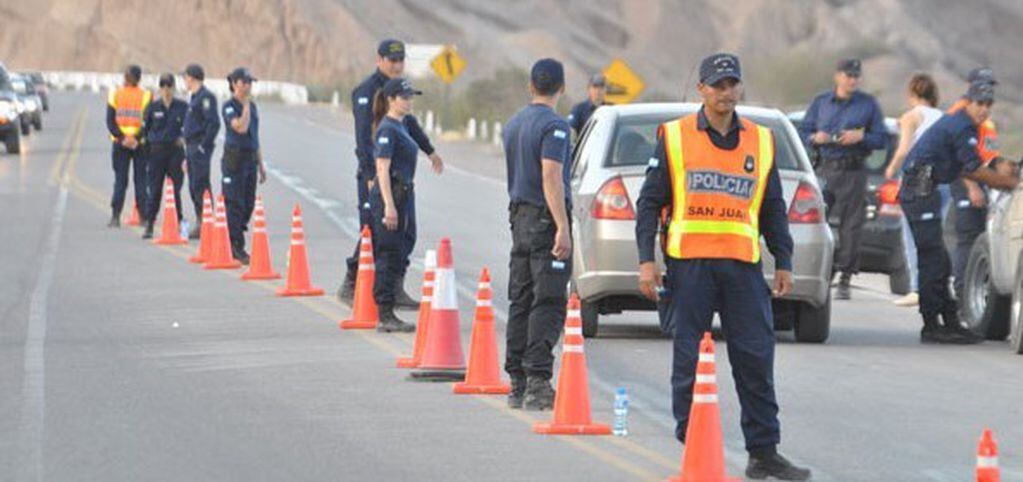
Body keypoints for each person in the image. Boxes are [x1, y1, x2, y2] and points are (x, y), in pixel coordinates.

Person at [636, 53, 811, 481]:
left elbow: (772, 207)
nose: (726, 92)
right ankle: (693, 443)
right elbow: (649, 204)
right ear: (702, 89)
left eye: (732, 84)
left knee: (756, 359)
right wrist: (646, 262)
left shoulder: (761, 140)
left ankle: (764, 453)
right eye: (718, 85)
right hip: (689, 267)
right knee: (689, 361)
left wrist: (783, 259)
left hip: (743, 269)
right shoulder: (675, 137)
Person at [898, 81, 1018, 345]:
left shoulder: (965, 126)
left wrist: (1000, 167)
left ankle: (949, 322)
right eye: (980, 104)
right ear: (968, 102)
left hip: (924, 193)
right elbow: (973, 169)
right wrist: (1011, 184)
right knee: (934, 261)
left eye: (988, 105)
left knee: (940, 260)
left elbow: (968, 164)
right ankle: (932, 326)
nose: (984, 110)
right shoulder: (961, 126)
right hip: (919, 193)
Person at [338, 39, 443, 309]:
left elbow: (410, 125)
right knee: (374, 231)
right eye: (392, 60)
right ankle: (353, 282)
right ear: (380, 60)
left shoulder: (400, 92)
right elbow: (363, 138)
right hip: (376, 174)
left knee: (405, 234)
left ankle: (394, 286)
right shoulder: (367, 91)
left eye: (401, 60)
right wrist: (371, 173)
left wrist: (430, 151)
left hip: (399, 177)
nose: (397, 65)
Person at [502, 58, 573, 412]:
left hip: (519, 217)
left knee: (522, 298)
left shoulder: (513, 124)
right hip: (545, 220)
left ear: (531, 86)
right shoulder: (555, 127)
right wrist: (562, 225)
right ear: (561, 88)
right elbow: (551, 176)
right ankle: (538, 382)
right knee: (547, 301)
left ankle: (516, 380)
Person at [798, 58, 887, 300]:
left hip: (853, 170)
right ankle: (818, 270)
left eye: (856, 76)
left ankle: (845, 277)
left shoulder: (868, 105)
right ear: (837, 76)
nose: (852, 80)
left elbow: (881, 138)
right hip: (825, 169)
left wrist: (861, 137)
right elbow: (803, 131)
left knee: (851, 226)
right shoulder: (821, 102)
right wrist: (816, 137)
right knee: (815, 221)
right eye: (848, 75)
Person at [368, 78, 443, 332]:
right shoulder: (387, 129)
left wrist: (432, 154)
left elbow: (419, 137)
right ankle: (385, 313)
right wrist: (389, 205)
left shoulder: (404, 123)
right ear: (391, 100)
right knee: (388, 251)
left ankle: (395, 295)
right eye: (404, 97)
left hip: (404, 193)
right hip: (392, 195)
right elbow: (382, 168)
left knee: (405, 243)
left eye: (411, 97)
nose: (409, 101)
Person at [884, 73, 943, 307]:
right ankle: (935, 286)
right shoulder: (942, 116)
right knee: (935, 236)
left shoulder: (911, 116)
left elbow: (903, 150)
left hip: (917, 180)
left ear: (912, 94)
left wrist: (891, 170)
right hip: (941, 180)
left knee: (911, 233)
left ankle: (917, 288)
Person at [946, 68, 1001, 301]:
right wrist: (972, 187)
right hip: (968, 181)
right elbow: (959, 157)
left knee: (979, 237)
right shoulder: (961, 114)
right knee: (969, 239)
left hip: (983, 178)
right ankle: (961, 296)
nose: (988, 88)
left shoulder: (983, 114)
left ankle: (970, 294)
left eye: (990, 84)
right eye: (982, 83)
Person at [221, 67, 267, 264]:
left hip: (250, 159)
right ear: (234, 84)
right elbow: (241, 127)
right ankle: (235, 245)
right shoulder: (229, 107)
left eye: (250, 83)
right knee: (235, 203)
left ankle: (236, 237)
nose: (248, 86)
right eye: (244, 82)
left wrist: (261, 164)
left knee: (248, 203)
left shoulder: (253, 107)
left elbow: (254, 136)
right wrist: (246, 105)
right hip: (234, 159)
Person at [140, 73, 188, 239]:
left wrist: (184, 139)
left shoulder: (182, 107)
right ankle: (150, 224)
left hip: (175, 152)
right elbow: (144, 132)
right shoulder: (152, 108)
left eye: (169, 86)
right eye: (163, 86)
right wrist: (147, 156)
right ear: (160, 88)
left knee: (176, 191)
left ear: (174, 88)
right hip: (157, 152)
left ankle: (180, 224)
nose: (166, 90)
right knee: (154, 190)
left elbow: (189, 128)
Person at [106, 64, 152, 227]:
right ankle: (144, 217)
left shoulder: (115, 95)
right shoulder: (146, 96)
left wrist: (122, 137)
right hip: (139, 144)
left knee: (120, 180)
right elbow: (148, 122)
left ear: (126, 77)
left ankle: (115, 215)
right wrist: (136, 138)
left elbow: (110, 122)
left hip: (120, 143)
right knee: (141, 180)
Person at [182, 63, 221, 238]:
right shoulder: (194, 98)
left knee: (200, 184)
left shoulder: (206, 97)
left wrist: (203, 146)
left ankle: (205, 222)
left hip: (199, 146)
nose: (184, 81)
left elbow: (213, 123)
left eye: (185, 77)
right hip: (190, 146)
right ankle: (200, 219)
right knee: (192, 185)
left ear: (191, 77)